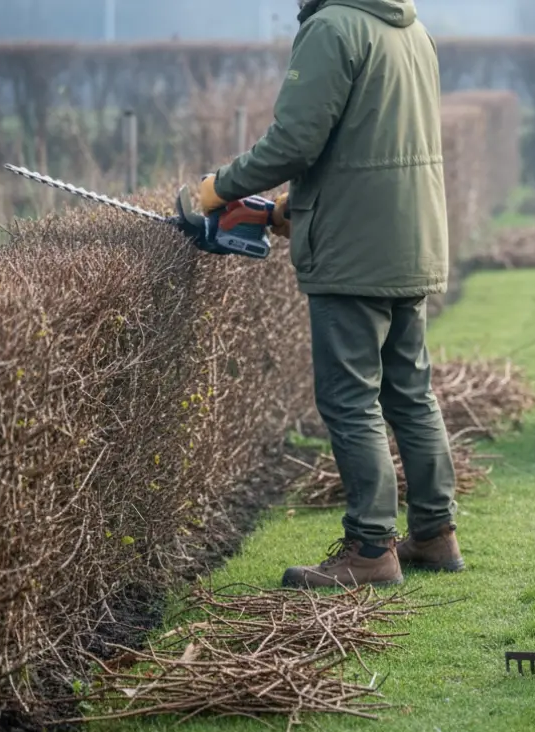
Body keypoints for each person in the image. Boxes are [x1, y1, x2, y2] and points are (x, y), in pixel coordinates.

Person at [193, 0, 463, 589]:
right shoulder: (410, 29)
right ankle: (436, 534)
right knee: (410, 391)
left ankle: (370, 549)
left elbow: (295, 141)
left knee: (349, 398)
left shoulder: (332, 27)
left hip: (354, 251)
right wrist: (292, 209)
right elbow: (369, 143)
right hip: (409, 238)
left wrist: (221, 186)